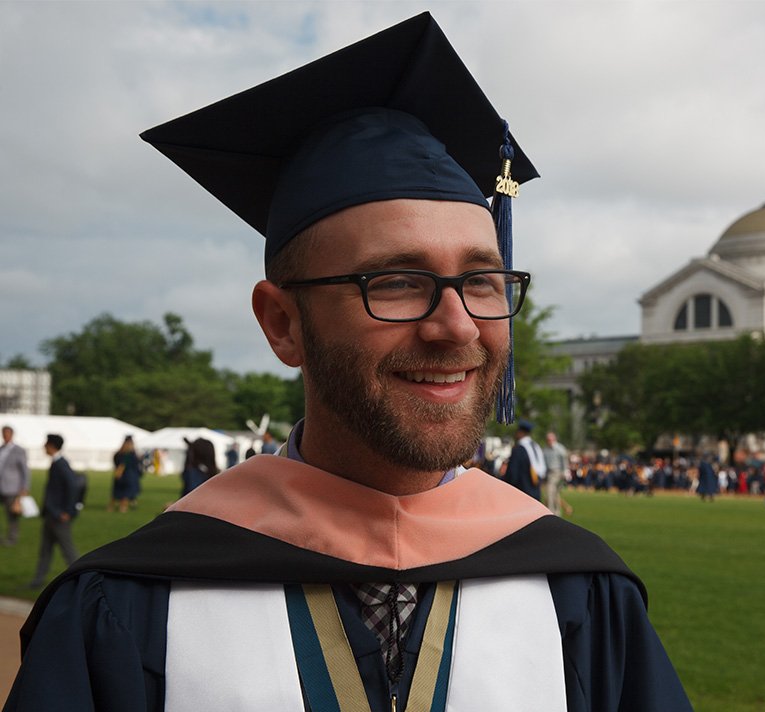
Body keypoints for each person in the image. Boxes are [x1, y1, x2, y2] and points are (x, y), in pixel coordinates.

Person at [6, 14, 691, 712]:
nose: (457, 325)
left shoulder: (581, 594)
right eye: (395, 281)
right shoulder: (130, 606)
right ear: (283, 325)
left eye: (483, 281)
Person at [27, 434, 79, 588]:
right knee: (45, 550)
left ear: (51, 445)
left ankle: (81, 578)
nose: (43, 446)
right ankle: (38, 580)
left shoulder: (61, 464)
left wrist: (67, 511)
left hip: (58, 516)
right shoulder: (57, 463)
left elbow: (73, 486)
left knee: (68, 550)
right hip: (51, 514)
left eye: (46, 444)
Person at [0, 425, 31, 546]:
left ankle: (12, 538)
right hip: (1, 486)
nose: (5, 436)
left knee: (12, 515)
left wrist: (25, 487)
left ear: (12, 435)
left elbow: (25, 470)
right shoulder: (1, 449)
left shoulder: (19, 450)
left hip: (12, 488)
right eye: (4, 433)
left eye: (7, 433)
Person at [503, 419, 547, 501]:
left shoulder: (519, 449)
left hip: (523, 492)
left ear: (520, 432)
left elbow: (512, 474)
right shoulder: (536, 446)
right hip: (536, 492)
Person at [110, 435, 142, 513]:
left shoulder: (118, 454)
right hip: (128, 476)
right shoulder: (131, 454)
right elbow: (134, 465)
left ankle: (111, 507)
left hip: (121, 475)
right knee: (126, 493)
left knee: (118, 492)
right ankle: (123, 507)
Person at [542, 430, 569, 516]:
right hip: (549, 473)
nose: (549, 441)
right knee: (554, 494)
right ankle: (556, 513)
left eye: (550, 439)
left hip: (558, 473)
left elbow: (564, 461)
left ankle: (552, 512)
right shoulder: (545, 449)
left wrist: (565, 472)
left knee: (551, 492)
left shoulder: (560, 449)